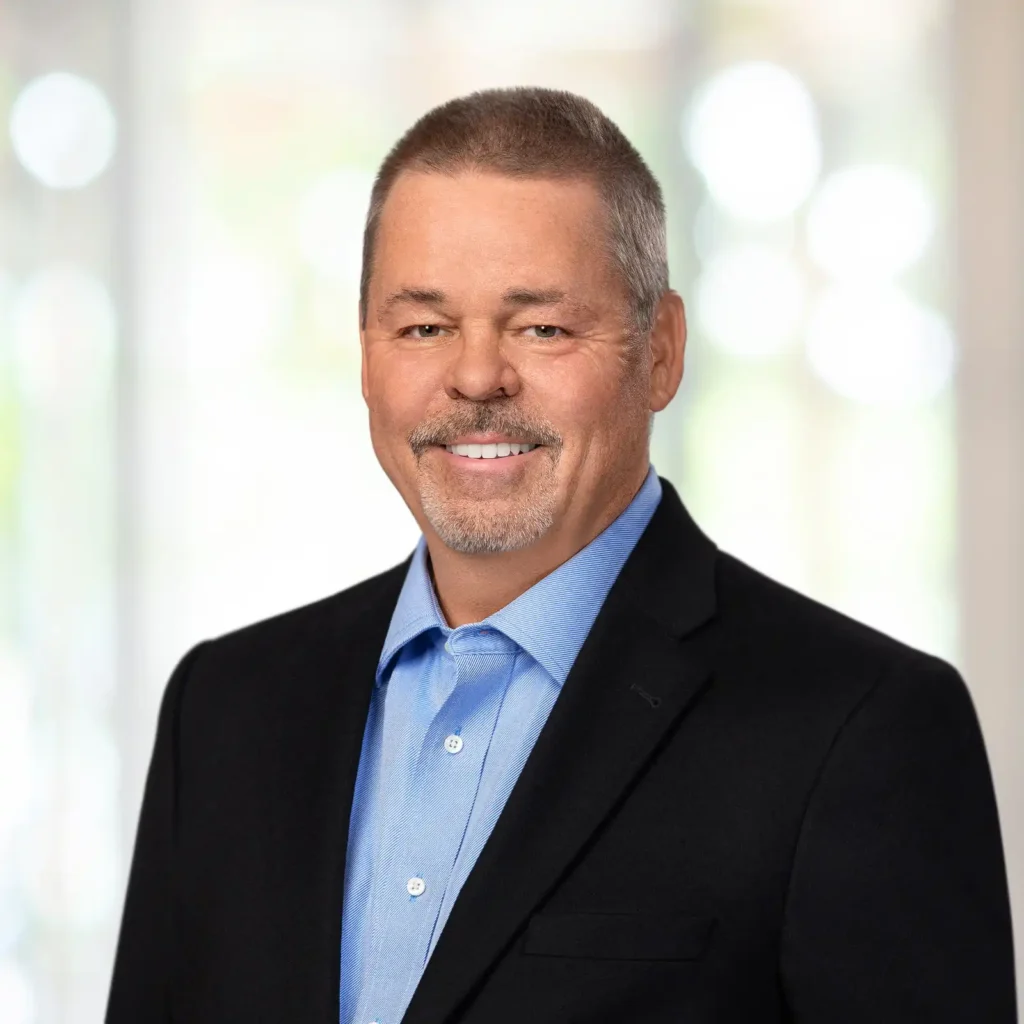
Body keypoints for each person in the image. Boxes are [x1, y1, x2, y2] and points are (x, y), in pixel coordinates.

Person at [106, 88, 1016, 1024]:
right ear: (368, 353)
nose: (476, 376)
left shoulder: (859, 731)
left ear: (660, 352)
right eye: (424, 326)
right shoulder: (223, 711)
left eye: (542, 327)